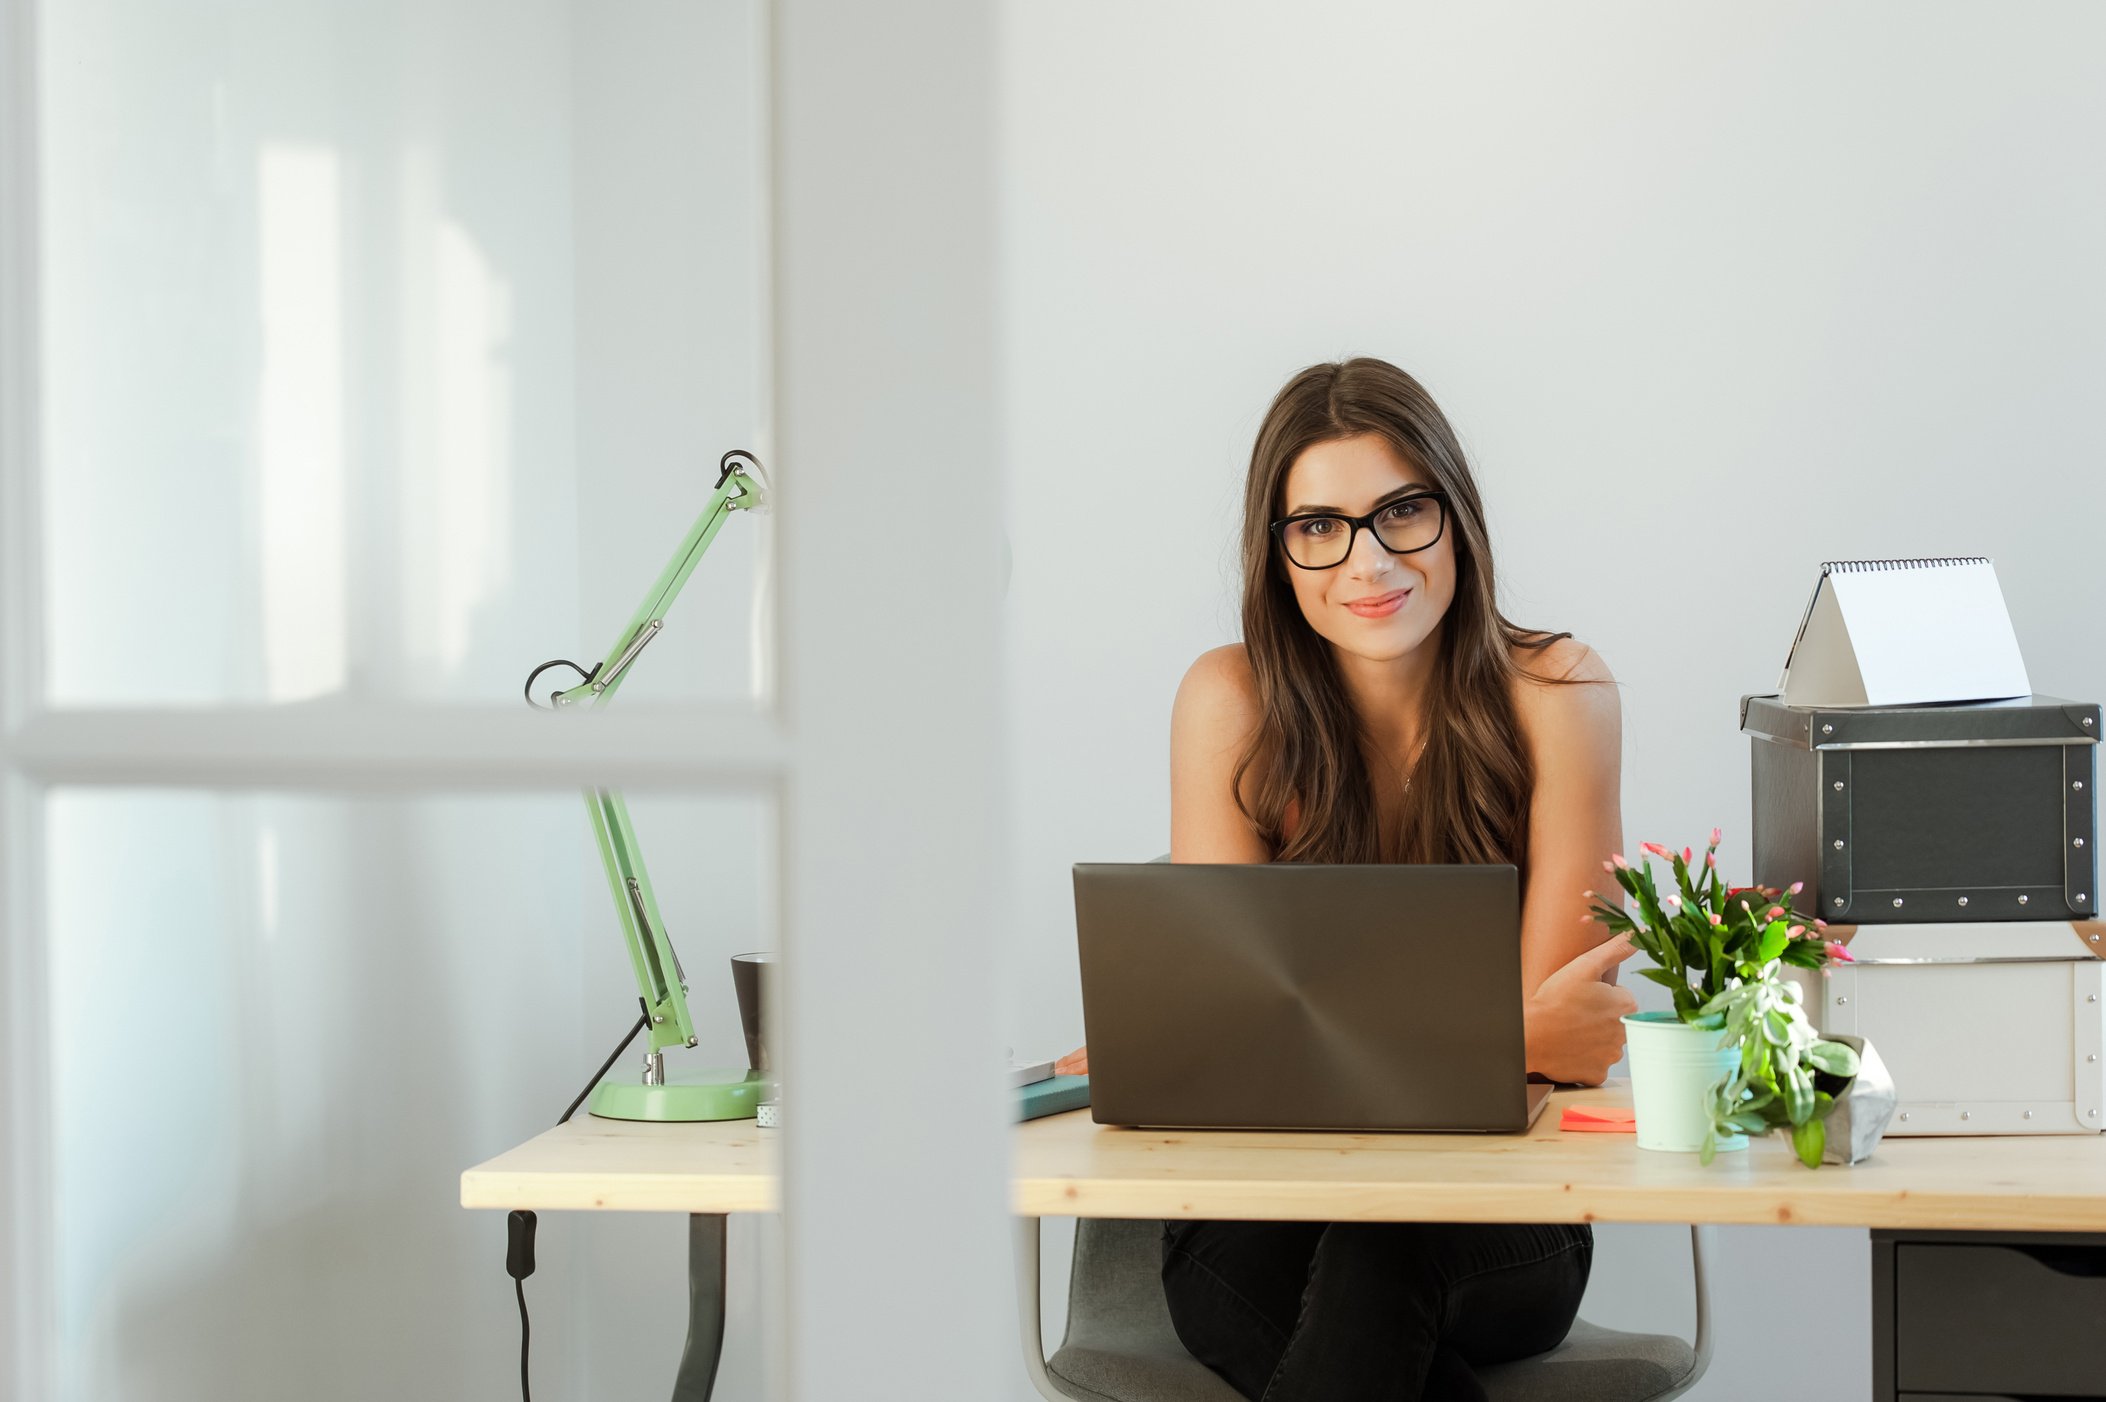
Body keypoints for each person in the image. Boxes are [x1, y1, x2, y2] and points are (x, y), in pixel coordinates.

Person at [1052, 357, 1637, 1402]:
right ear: (1278, 554)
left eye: (1400, 512)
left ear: (1455, 518)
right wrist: (1492, 1039)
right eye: (1319, 526)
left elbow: (1560, 1052)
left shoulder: (1559, 692)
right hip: (1256, 1213)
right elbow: (1516, 1037)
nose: (1367, 562)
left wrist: (1279, 1043)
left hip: (1497, 1218)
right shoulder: (1227, 698)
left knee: (1384, 1250)